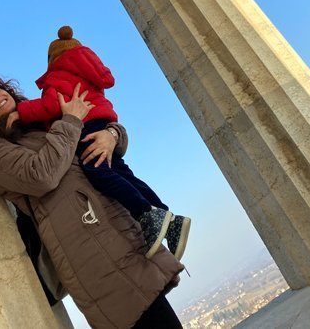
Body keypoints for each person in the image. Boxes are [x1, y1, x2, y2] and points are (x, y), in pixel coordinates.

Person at [0, 77, 184, 329]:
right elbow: (42, 175)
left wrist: (112, 134)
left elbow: (100, 139)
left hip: (122, 234)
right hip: (94, 253)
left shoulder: (42, 122)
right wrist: (71, 120)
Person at [15, 25, 191, 260]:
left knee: (97, 171)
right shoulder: (85, 71)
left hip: (86, 130)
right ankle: (169, 220)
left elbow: (50, 106)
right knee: (123, 174)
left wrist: (20, 111)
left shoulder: (56, 76)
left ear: (52, 59)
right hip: (102, 124)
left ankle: (145, 214)